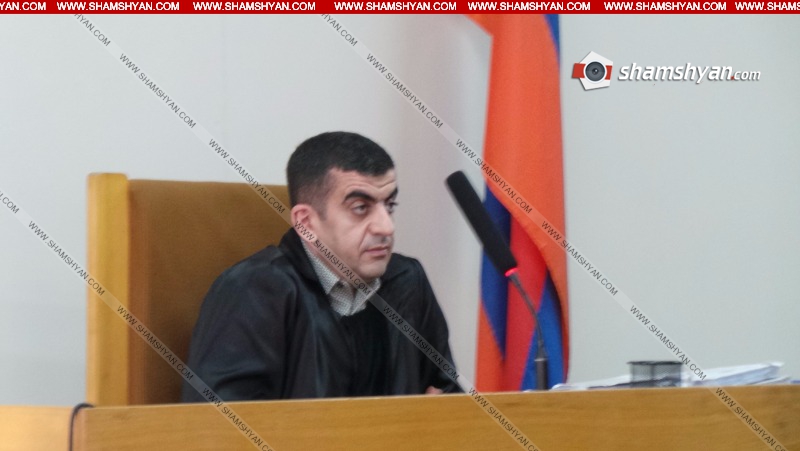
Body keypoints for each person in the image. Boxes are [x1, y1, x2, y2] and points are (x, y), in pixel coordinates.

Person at [181, 131, 461, 402]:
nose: (386, 227)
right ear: (306, 222)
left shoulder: (406, 280)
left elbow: (445, 398)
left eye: (389, 205)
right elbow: (218, 425)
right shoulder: (254, 292)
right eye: (361, 208)